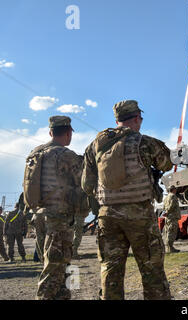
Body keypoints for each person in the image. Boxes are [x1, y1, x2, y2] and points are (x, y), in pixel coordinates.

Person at [82, 99, 173, 300]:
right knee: (151, 269)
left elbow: (86, 185)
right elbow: (167, 164)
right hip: (139, 214)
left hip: (107, 216)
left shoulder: (95, 146)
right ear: (135, 118)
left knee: (110, 270)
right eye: (140, 118)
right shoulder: (144, 142)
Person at [27, 116, 82, 300]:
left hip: (40, 216)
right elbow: (83, 184)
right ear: (68, 133)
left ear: (51, 132)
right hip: (58, 219)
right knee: (53, 272)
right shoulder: (66, 155)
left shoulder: (35, 154)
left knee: (59, 269)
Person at [162, 186, 181, 253]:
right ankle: (170, 248)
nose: (176, 190)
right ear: (173, 189)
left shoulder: (166, 197)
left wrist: (165, 213)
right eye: (175, 189)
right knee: (172, 231)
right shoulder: (173, 196)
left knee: (168, 231)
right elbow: (172, 206)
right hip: (172, 217)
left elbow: (163, 207)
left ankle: (168, 248)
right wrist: (167, 212)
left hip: (167, 217)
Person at [72, 187, 90, 258]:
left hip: (70, 214)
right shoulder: (83, 192)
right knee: (77, 234)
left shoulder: (72, 189)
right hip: (78, 215)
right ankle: (73, 252)